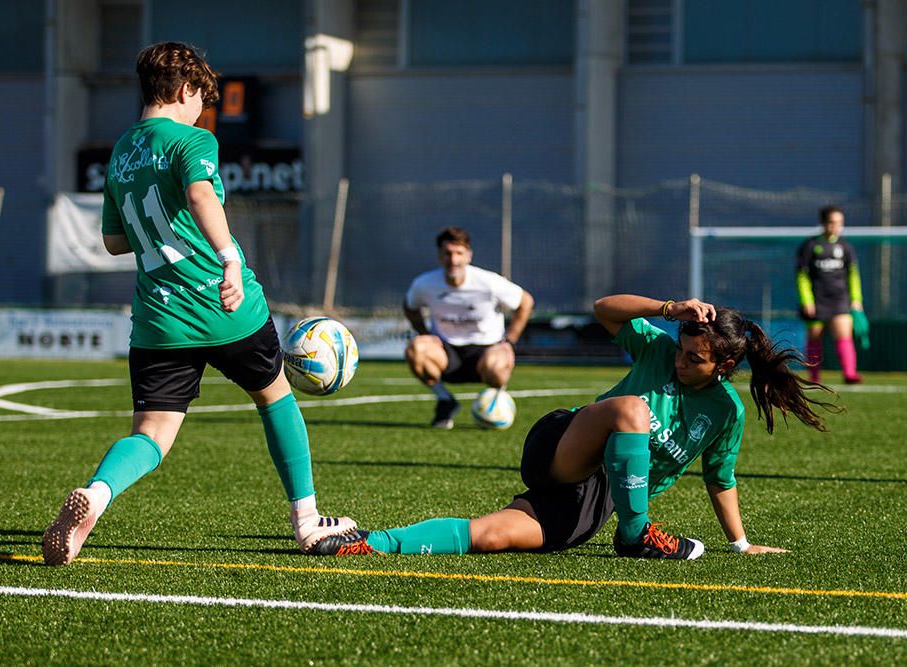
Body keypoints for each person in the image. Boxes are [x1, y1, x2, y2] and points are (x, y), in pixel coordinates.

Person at [42, 42, 360, 566]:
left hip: (158, 320)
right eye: (200, 101)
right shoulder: (193, 140)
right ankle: (307, 521)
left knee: (151, 432)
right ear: (186, 90)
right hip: (224, 304)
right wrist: (229, 257)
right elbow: (201, 197)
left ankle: (96, 496)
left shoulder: (122, 151)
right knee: (275, 396)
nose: (201, 112)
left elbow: (114, 242)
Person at [321, 294, 838, 560]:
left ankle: (369, 542)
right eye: (681, 350)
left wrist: (741, 544)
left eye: (695, 359)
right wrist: (668, 308)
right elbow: (603, 310)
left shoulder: (727, 412)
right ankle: (636, 537)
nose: (681, 361)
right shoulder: (657, 349)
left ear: (723, 368)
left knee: (492, 535)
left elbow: (720, 479)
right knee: (631, 409)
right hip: (564, 443)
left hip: (596, 498)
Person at [403, 227, 535, 429]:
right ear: (440, 256)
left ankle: (493, 403)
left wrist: (509, 341)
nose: (453, 260)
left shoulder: (488, 282)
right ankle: (446, 401)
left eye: (459, 253)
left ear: (468, 256)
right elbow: (409, 305)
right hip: (447, 353)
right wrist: (425, 334)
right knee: (416, 348)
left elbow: (525, 302)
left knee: (498, 364)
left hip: (486, 352)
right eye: (447, 253)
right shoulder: (425, 284)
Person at [796, 205, 865, 384]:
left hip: (840, 299)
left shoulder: (845, 246)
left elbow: (853, 275)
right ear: (823, 223)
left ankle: (849, 374)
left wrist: (856, 299)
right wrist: (807, 300)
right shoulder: (810, 246)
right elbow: (802, 276)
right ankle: (814, 377)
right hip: (817, 299)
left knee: (844, 335)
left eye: (840, 223)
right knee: (815, 336)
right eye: (832, 222)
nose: (836, 226)